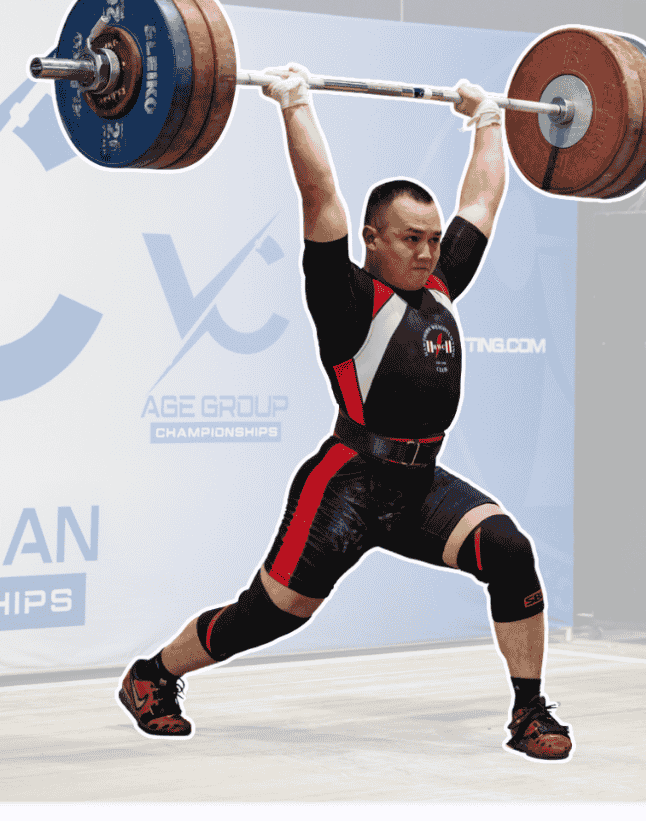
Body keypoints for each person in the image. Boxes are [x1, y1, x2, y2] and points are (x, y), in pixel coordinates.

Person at [119, 63, 572, 762]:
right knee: (268, 617)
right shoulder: (345, 299)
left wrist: (487, 121)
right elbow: (318, 192)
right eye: (411, 239)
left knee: (510, 552)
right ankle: (154, 676)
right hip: (348, 484)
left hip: (421, 488)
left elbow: (483, 198)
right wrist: (295, 104)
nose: (427, 251)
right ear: (372, 239)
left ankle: (528, 712)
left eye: (431, 238)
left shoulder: (441, 284)